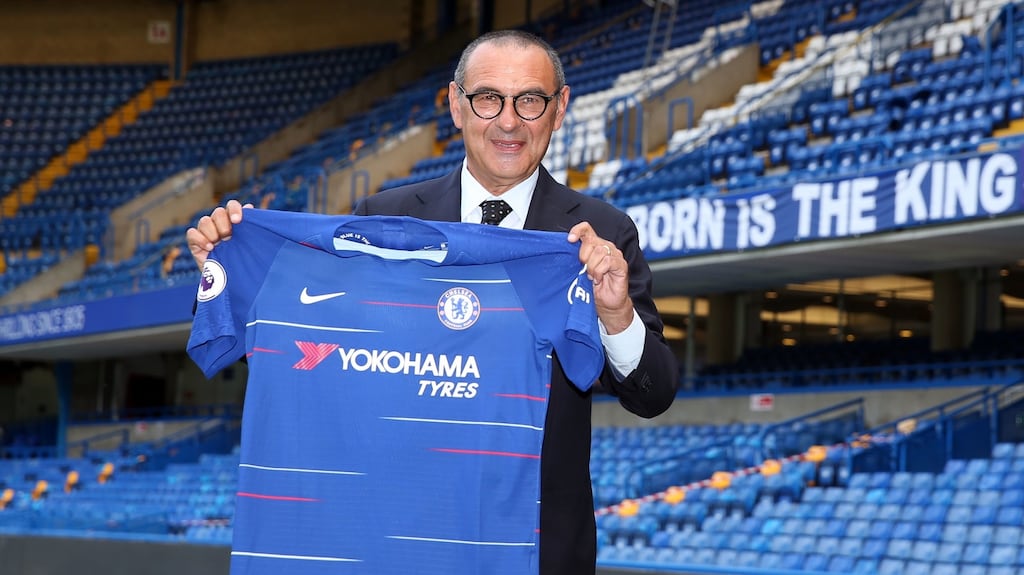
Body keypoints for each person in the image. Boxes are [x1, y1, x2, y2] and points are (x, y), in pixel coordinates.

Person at [187, 29, 679, 575]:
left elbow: (653, 393)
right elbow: (286, 333)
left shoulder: (598, 235)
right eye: (489, 98)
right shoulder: (383, 218)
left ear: (559, 109)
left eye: (530, 100)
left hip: (532, 551)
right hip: (395, 539)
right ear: (455, 105)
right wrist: (223, 266)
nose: (509, 121)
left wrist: (615, 315)